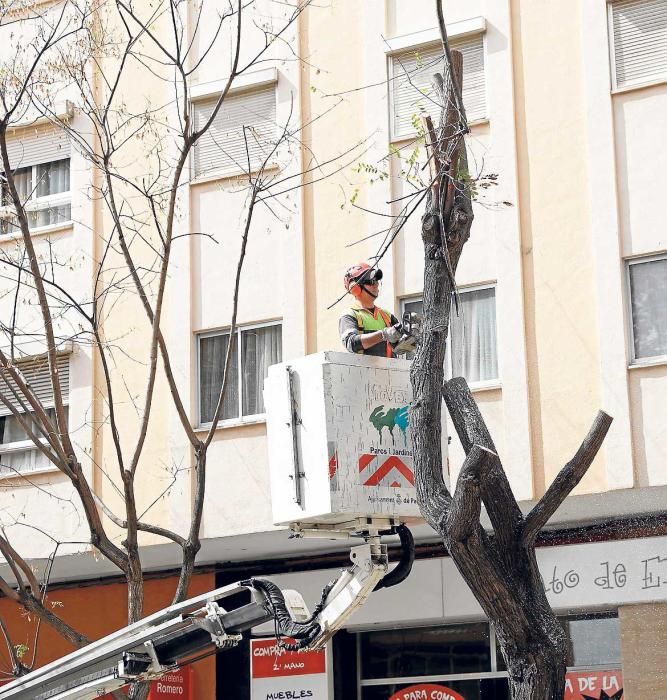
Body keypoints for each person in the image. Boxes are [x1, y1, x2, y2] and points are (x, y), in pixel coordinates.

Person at [339, 262, 403, 358]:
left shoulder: (387, 316)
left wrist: (411, 333)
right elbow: (351, 343)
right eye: (371, 282)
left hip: (389, 371)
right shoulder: (350, 315)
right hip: (363, 372)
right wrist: (383, 335)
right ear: (355, 287)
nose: (376, 285)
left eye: (377, 281)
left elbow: (401, 346)